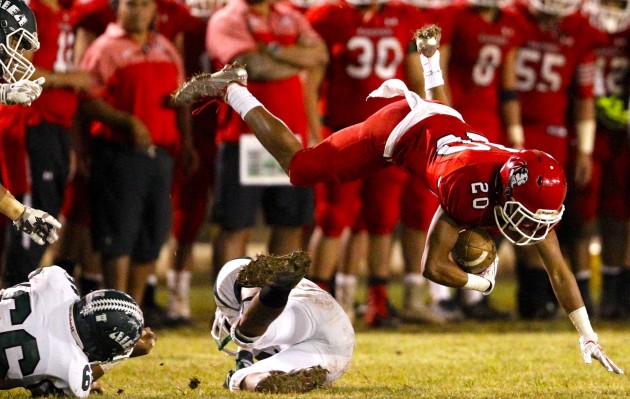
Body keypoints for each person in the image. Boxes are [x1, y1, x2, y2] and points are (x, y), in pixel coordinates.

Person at [175, 24, 623, 374]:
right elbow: (432, 265)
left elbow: (559, 270)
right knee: (302, 168)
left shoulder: (516, 186)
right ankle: (233, 88)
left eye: (537, 219)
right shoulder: (466, 188)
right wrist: (481, 283)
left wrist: (587, 336)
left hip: (445, 129)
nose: (529, 228)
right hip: (397, 131)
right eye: (525, 216)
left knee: (447, 127)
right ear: (504, 190)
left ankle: (428, 60)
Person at [78, 0, 195, 312]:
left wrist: (187, 142)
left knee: (152, 234)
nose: (139, 11)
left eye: (145, 5)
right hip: (119, 153)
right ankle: (115, 312)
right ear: (117, 8)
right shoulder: (104, 49)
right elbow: (87, 100)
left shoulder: (164, 47)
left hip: (161, 154)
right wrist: (125, 121)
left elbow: (181, 96)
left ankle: (135, 312)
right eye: (131, 4)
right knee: (119, 235)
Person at [205, 0, 327, 278]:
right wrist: (298, 61)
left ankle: (272, 304)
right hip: (243, 138)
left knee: (290, 224)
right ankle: (228, 303)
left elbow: (321, 54)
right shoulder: (227, 18)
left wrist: (273, 50)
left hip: (290, 140)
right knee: (235, 225)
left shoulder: (289, 15)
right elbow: (254, 66)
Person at [0, 265, 156, 397]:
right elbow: (57, 390)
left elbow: (36, 274)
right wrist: (124, 352)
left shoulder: (58, 280)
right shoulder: (72, 366)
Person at [211, 251, 354, 393]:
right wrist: (243, 366)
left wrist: (248, 307)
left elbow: (242, 271)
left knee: (247, 336)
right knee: (240, 378)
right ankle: (269, 381)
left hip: (303, 304)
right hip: (339, 348)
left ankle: (278, 288)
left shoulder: (230, 289)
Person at [581, 0, 630, 318]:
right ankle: (579, 296)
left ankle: (615, 296)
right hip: (584, 126)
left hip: (621, 132)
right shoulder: (580, 20)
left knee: (619, 216)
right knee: (581, 216)